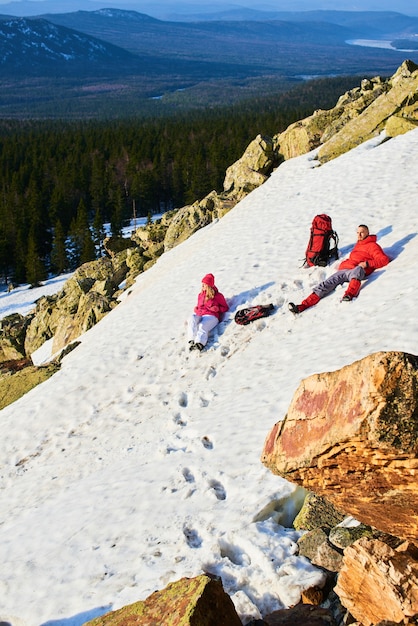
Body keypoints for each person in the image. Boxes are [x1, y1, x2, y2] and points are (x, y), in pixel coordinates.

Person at [288, 224, 390, 314]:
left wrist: (367, 263)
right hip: (344, 270)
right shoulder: (358, 245)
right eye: (357, 233)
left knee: (358, 270)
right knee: (325, 284)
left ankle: (349, 295)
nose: (359, 235)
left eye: (362, 233)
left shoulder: (373, 246)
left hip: (355, 270)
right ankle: (302, 306)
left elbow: (384, 260)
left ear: (367, 233)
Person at [187, 273, 229, 351]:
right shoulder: (200, 295)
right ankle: (191, 339)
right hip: (200, 314)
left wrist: (217, 309)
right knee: (192, 318)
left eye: (204, 284)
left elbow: (225, 308)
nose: (202, 285)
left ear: (209, 286)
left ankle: (200, 343)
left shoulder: (217, 296)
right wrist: (196, 309)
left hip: (211, 316)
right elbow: (199, 306)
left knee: (202, 325)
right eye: (202, 283)